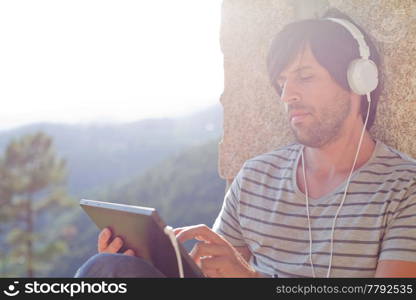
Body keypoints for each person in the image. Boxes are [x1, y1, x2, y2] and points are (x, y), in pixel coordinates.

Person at [75, 9, 416, 278]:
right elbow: (214, 276)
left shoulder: (403, 188)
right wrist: (147, 263)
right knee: (107, 271)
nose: (287, 95)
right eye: (282, 82)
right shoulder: (256, 176)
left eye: (305, 76)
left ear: (359, 78)